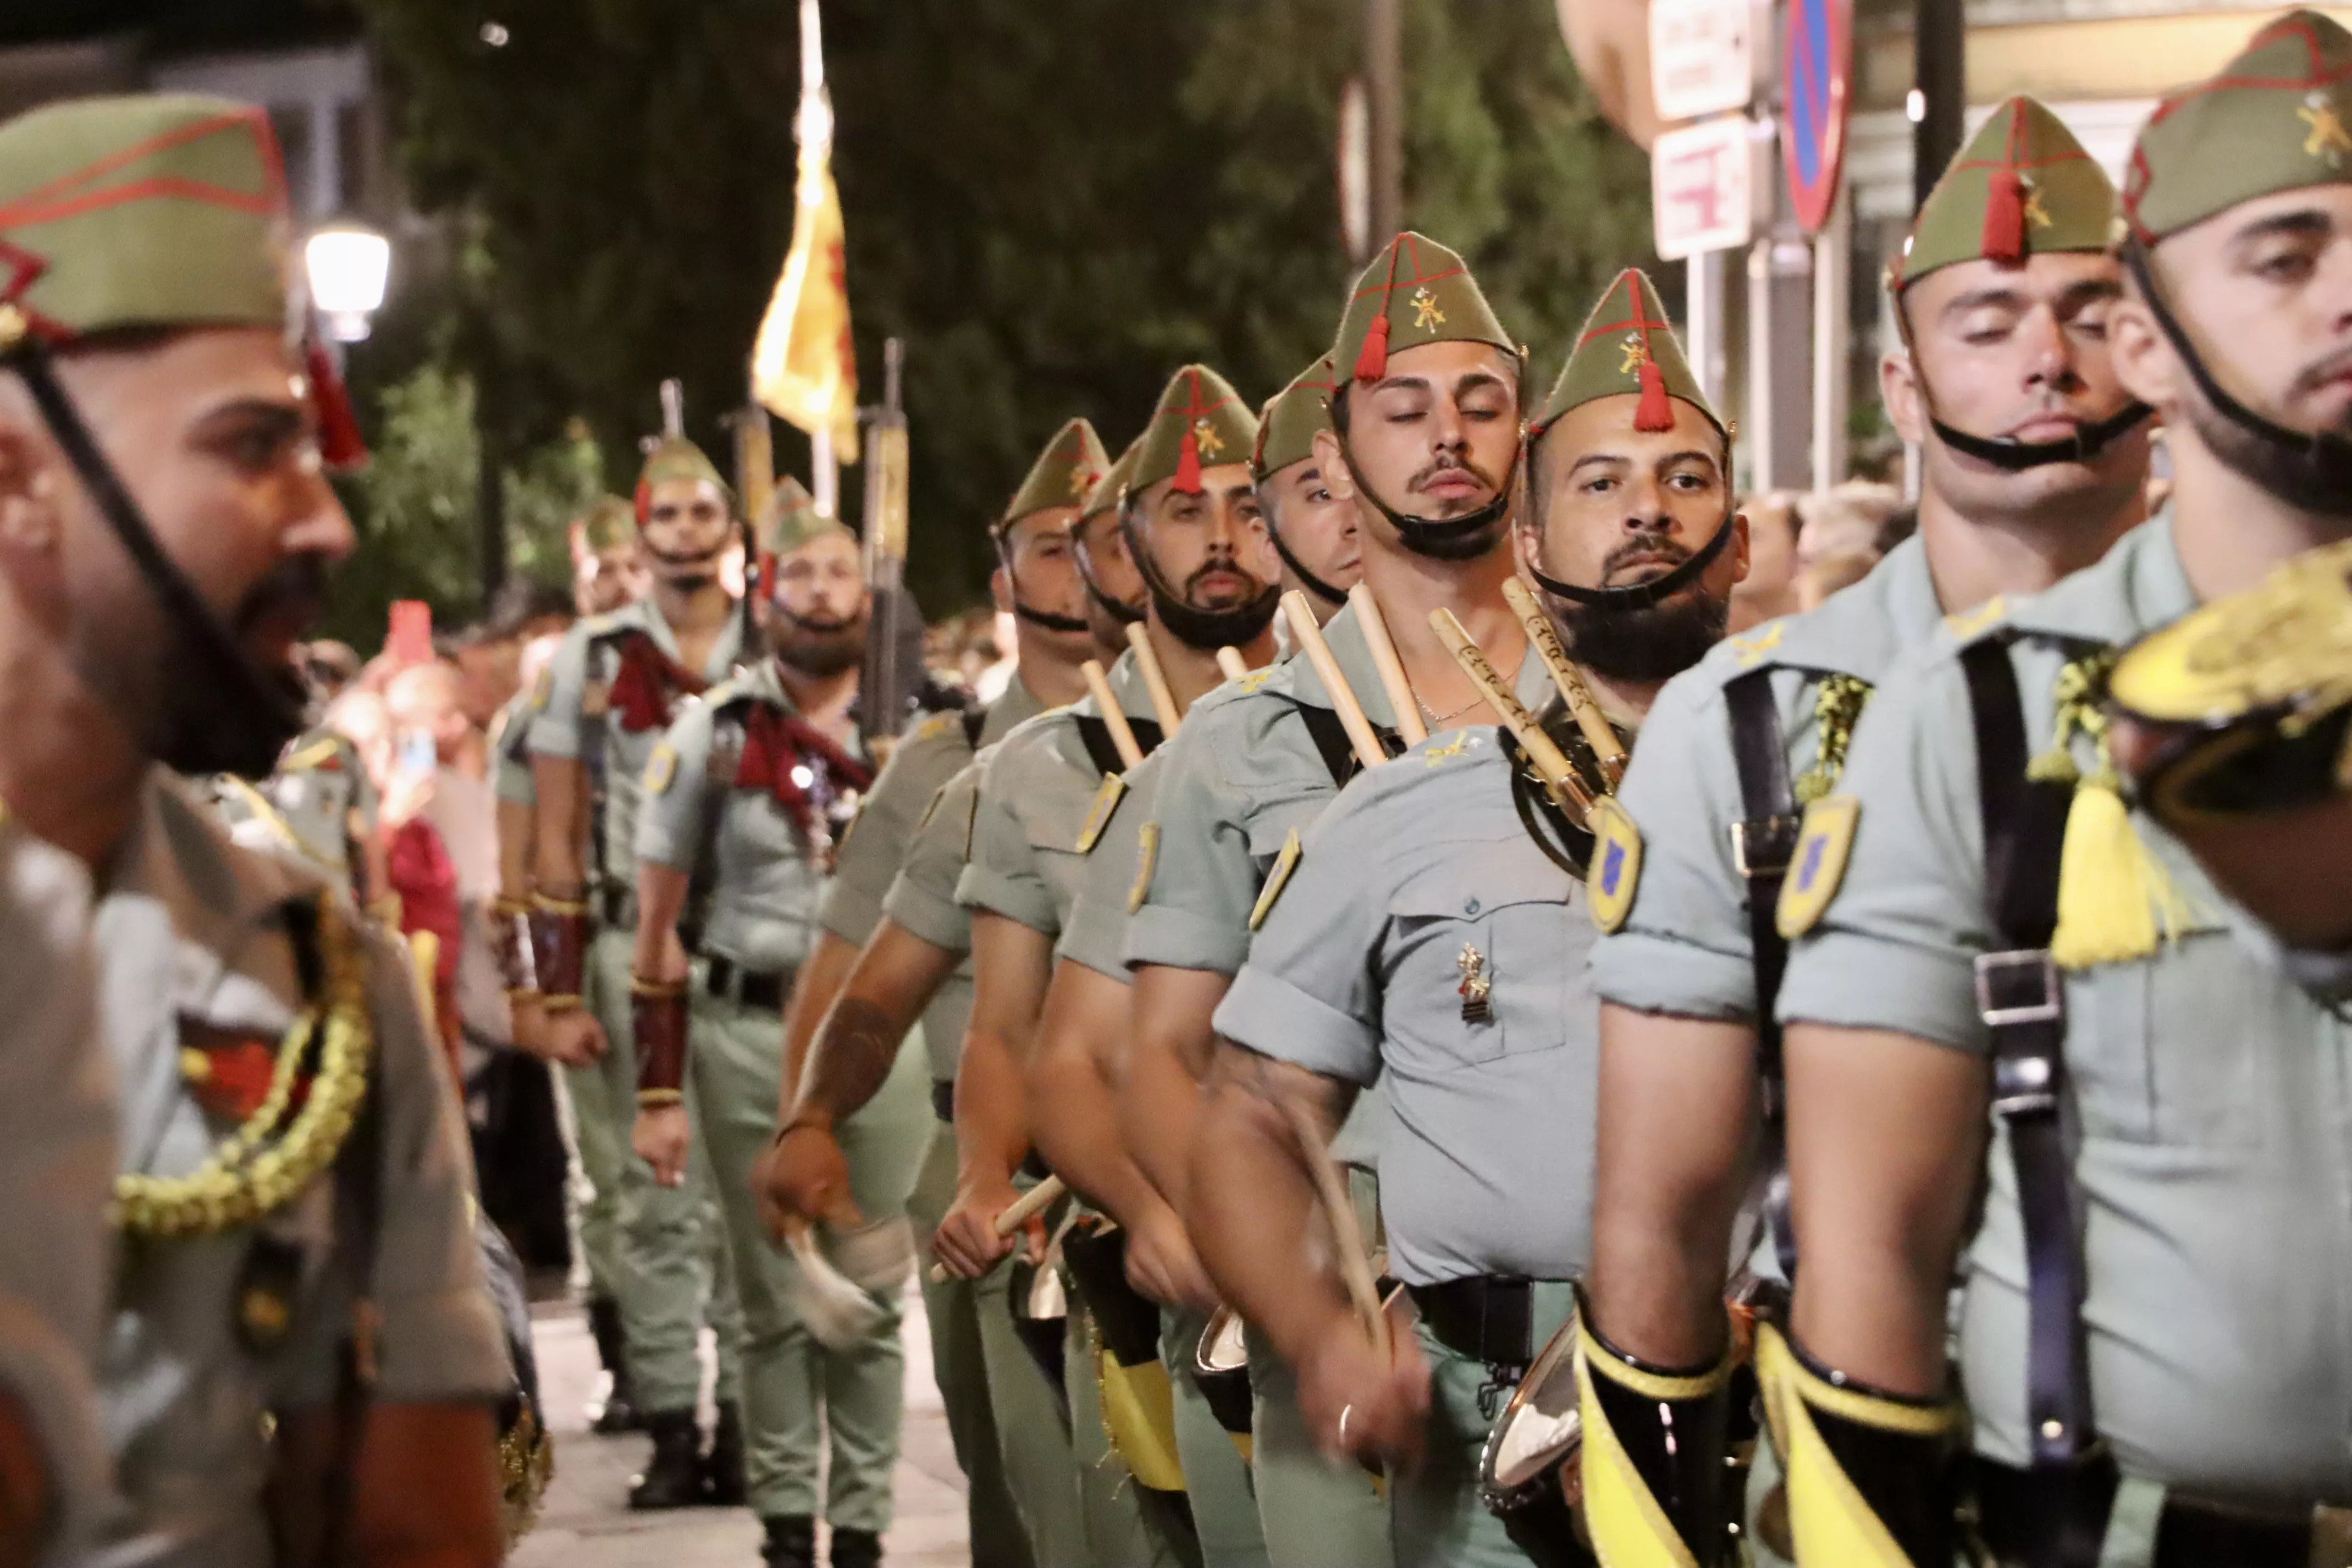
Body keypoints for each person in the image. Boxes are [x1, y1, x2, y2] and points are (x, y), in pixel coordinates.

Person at [1765, 22, 2352, 1562]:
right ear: (2144, 346)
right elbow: (1870, 1263)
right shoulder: (1976, 717)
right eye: (2286, 256)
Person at [1580, 95, 2152, 1566]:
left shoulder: (2285, 687)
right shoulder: (1744, 725)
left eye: (2093, 310)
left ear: (2158, 346)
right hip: (1874, 1477)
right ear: (1902, 389)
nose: (2049, 356)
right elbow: (1661, 1217)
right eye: (1989, 320)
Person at [0, 92, 509, 1564]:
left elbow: (419, 1527)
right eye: (251, 446)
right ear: (20, 480)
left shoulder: (321, 988)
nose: (327, 522)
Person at [1189, 267, 1743, 1568]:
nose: (1646, 515)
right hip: (1503, 1429)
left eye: (1684, 481)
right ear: (1533, 545)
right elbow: (1253, 1111)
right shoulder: (1403, 810)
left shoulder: (1862, 779)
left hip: (1778, 1413)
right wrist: (1319, 1325)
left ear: (1747, 532)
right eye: (1599, 484)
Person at [1123, 233, 1555, 1568]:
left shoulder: (1630, 705)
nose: (1448, 439)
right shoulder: (1239, 744)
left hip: (1602, 1316)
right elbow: (1165, 1059)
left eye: (1481, 405)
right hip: (1350, 1303)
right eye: (1403, 410)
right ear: (1336, 458)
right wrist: (1297, 1308)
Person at [761, 417, 1122, 1568]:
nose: (1076, 566)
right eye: (1048, 546)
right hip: (994, 1186)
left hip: (1159, 1159)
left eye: (1097, 539)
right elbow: (859, 978)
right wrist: (804, 1117)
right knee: (1017, 1491)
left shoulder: (1222, 737)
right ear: (1003, 573)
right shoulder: (952, 761)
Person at [1025, 353, 1365, 1568]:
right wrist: (1170, 1208)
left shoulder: (1554, 724)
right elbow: (1077, 1054)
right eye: (1315, 488)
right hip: (1284, 1289)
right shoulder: (1211, 757)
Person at [947, 363, 1283, 1568]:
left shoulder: (1357, 723)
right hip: (1137, 1222)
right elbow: (1009, 1026)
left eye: (1252, 505)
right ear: (1128, 549)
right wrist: (988, 1172)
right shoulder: (1041, 765)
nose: (1226, 540)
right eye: (1188, 513)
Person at [625, 481, 916, 1568]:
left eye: (841, 570)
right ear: (767, 592)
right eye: (801, 574)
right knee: (774, 1290)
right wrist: (657, 1096)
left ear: (869, 591)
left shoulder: (920, 728)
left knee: (873, 1290)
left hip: (881, 1031)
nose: (823, 591)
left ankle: (865, 1528)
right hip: (744, 1030)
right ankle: (788, 1521)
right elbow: (656, 930)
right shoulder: (712, 734)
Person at [527, 432, 746, 1507]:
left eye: (706, 516)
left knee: (750, 1204)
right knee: (652, 1201)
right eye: (668, 518)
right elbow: (556, 838)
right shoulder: (596, 658)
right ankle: (671, 1422)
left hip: (753, 947)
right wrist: (557, 990)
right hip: (627, 948)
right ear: (641, 529)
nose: (686, 538)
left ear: (733, 531)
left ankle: (753, 1422)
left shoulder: (777, 641)